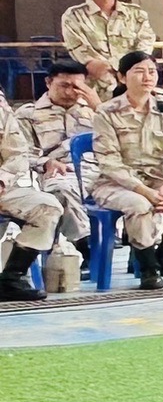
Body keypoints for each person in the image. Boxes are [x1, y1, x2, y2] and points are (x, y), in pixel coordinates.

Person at [95, 50, 163, 289]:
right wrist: (145, 192)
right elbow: (109, 162)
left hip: (159, 181)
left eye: (152, 71)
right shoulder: (106, 112)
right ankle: (149, 270)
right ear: (122, 77)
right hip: (115, 184)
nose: (147, 77)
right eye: (139, 71)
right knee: (139, 205)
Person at [16, 58, 103, 262]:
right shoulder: (29, 114)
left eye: (77, 87)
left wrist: (99, 107)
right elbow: (20, 152)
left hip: (99, 172)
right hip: (59, 172)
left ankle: (144, 259)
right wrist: (45, 162)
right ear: (48, 83)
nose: (70, 92)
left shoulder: (96, 111)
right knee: (60, 190)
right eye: (63, 85)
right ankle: (87, 249)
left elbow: (124, 140)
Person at [59, 0, 155, 99]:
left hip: (133, 87)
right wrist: (111, 67)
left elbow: (144, 45)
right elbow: (82, 53)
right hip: (94, 91)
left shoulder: (136, 14)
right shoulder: (74, 16)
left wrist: (126, 68)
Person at [0, 106, 63, 301]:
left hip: (3, 187)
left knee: (48, 208)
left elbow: (17, 154)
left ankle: (12, 278)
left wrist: (2, 180)